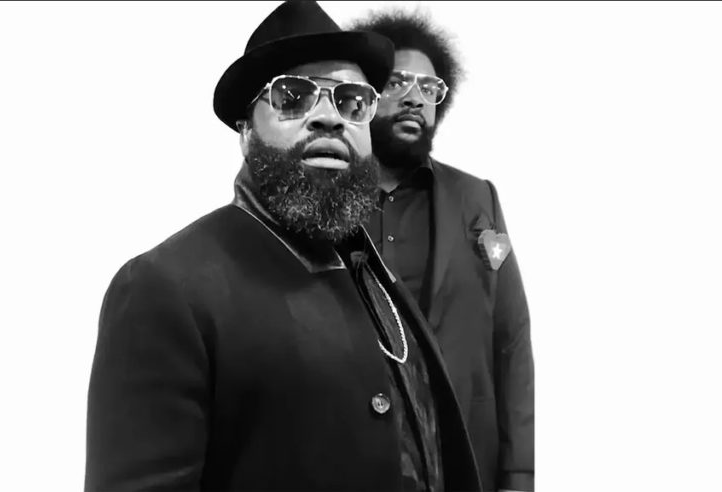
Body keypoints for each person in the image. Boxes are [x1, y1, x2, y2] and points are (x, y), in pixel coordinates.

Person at [85, 2, 482, 491]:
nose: (329, 118)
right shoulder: (163, 287)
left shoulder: (372, 269)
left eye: (352, 102)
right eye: (293, 96)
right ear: (245, 129)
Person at [349, 9, 536, 492]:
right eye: (397, 83)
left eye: (430, 89)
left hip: (463, 457)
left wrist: (519, 475)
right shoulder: (325, 199)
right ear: (360, 95)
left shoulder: (478, 201)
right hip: (353, 454)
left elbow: (511, 339)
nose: (415, 98)